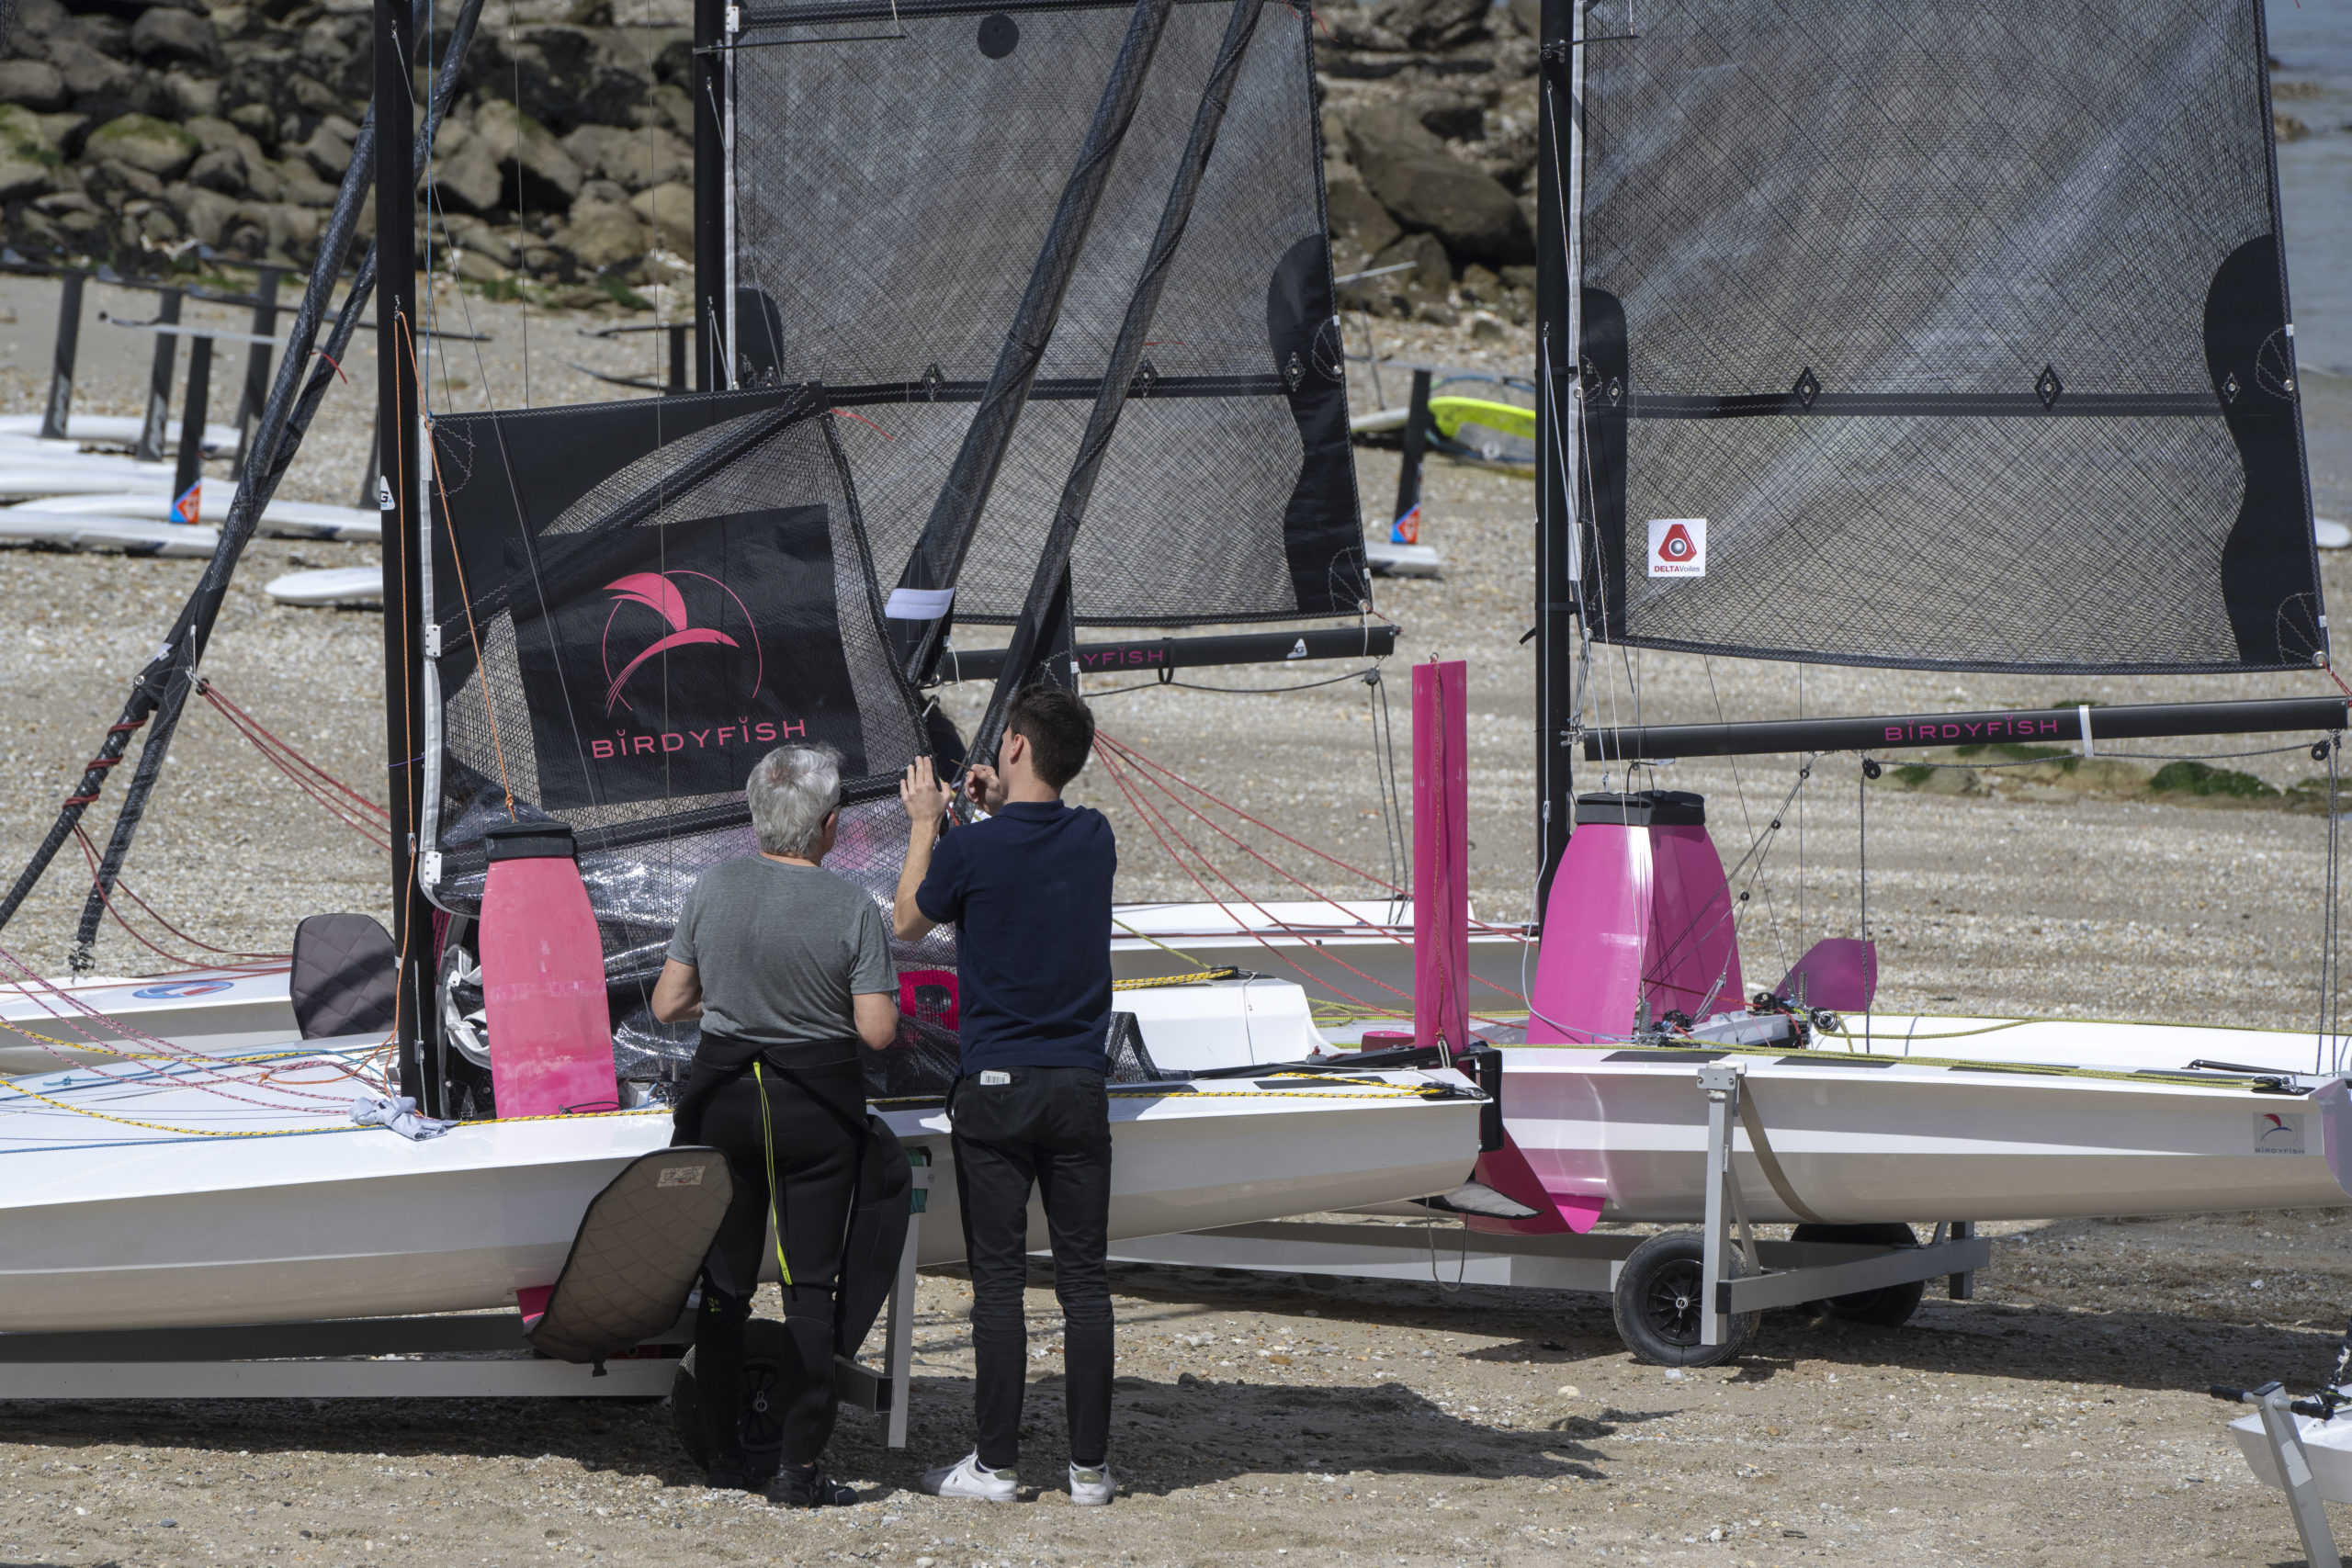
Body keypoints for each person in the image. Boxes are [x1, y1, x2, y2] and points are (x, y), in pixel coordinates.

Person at [651, 742, 899, 1507]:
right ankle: (796, 1468)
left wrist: (732, 1005)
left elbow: (666, 1005)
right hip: (812, 1110)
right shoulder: (851, 905)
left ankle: (724, 1454)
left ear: (756, 814)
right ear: (827, 827)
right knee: (808, 1289)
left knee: (725, 1289)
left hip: (724, 1099)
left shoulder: (712, 885)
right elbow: (878, 1031)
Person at [895, 686, 1119, 1507]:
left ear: (1015, 747)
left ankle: (996, 1466)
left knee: (998, 1281)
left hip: (995, 1088)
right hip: (1076, 1084)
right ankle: (1089, 1470)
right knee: (1085, 1282)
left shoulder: (972, 853)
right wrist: (990, 810)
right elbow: (1036, 843)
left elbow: (909, 920)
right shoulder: (1096, 837)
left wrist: (928, 821)